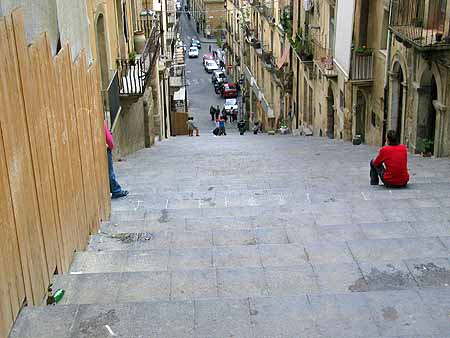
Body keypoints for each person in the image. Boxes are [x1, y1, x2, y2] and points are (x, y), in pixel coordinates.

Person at [104, 121, 128, 199]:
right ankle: (116, 190)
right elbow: (108, 138)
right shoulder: (100, 121)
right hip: (106, 149)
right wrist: (111, 146)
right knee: (110, 171)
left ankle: (114, 189)